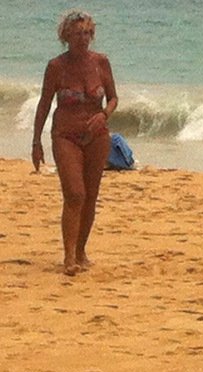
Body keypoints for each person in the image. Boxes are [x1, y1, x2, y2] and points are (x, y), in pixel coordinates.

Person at [32, 9, 118, 276]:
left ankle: (81, 251)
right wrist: (36, 141)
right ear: (66, 35)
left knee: (90, 196)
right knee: (75, 193)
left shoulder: (101, 63)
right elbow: (44, 104)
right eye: (79, 33)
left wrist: (103, 115)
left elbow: (114, 98)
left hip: (97, 137)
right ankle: (68, 257)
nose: (84, 38)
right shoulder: (56, 67)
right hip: (65, 135)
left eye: (88, 33)